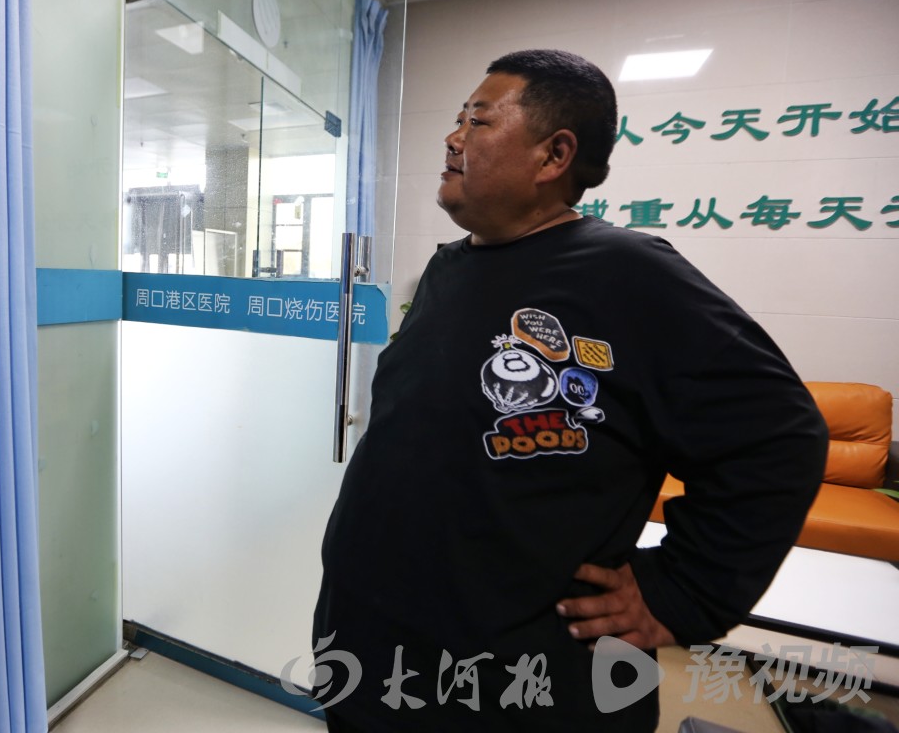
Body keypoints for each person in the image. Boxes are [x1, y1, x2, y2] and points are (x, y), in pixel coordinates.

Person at [312, 49, 828, 732]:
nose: (453, 137)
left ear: (554, 155)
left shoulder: (628, 273)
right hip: (376, 664)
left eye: (478, 120)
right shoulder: (448, 271)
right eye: (458, 119)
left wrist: (682, 590)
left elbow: (780, 437)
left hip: (515, 692)